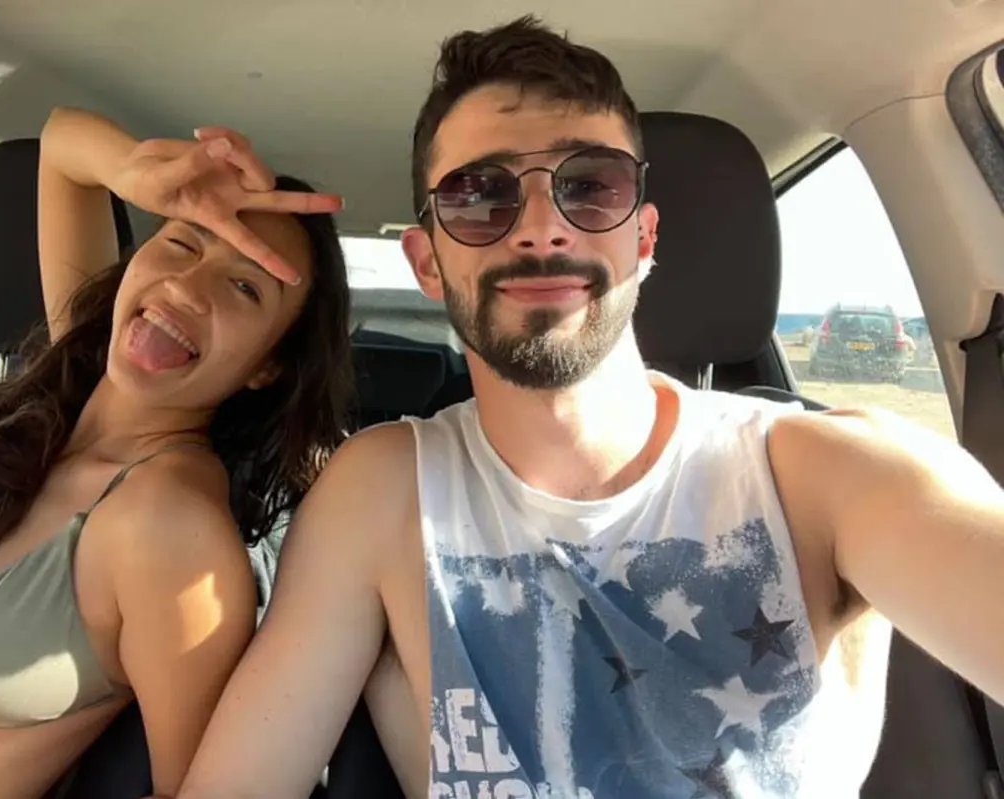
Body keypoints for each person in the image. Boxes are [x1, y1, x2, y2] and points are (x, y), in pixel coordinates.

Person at [168, 16, 1004, 799]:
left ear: (643, 238)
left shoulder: (826, 473)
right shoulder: (382, 493)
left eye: (591, 187)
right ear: (426, 261)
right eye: (479, 195)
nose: (541, 228)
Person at [0, 106, 352, 799]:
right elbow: (62, 146)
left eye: (245, 286)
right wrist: (140, 177)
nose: (185, 287)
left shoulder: (169, 527)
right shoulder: (57, 397)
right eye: (183, 242)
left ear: (268, 365)